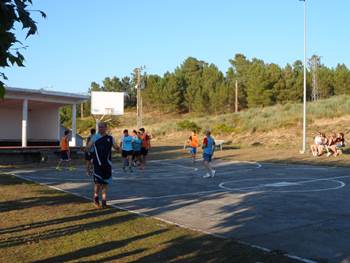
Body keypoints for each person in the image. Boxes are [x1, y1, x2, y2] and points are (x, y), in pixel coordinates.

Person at [86, 122, 119, 208]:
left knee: (105, 183)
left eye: (102, 127)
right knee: (97, 183)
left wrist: (122, 150)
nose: (100, 128)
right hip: (97, 164)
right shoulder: (94, 137)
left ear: (106, 128)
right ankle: (96, 197)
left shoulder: (110, 138)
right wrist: (86, 150)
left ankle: (104, 200)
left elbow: (116, 147)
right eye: (99, 127)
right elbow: (88, 147)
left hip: (107, 164)